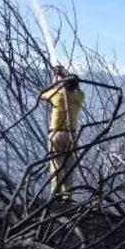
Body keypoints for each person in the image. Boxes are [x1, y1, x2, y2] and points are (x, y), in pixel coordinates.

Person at [40, 65, 85, 200]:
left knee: (56, 165)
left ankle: (56, 195)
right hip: (72, 135)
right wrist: (64, 78)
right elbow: (76, 89)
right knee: (69, 166)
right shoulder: (80, 97)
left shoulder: (57, 95)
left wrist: (57, 79)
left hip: (57, 134)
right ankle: (67, 196)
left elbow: (42, 95)